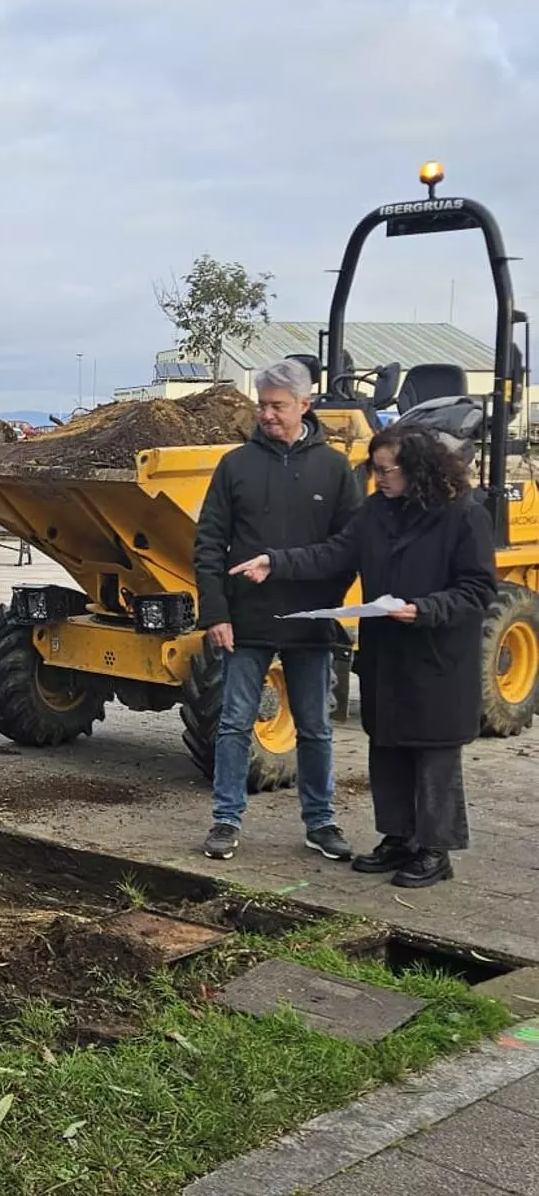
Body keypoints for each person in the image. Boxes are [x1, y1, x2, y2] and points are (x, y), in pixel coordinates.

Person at [231, 425, 497, 887]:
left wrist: (426, 609)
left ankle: (435, 849)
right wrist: (276, 561)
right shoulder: (376, 512)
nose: (379, 479)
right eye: (374, 471)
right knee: (388, 746)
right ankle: (397, 838)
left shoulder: (463, 516)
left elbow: (477, 589)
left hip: (436, 656)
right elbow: (335, 553)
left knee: (432, 754)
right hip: (386, 654)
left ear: (418, 468)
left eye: (386, 470)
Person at [194, 358, 362, 863]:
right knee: (233, 722)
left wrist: (323, 599)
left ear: (305, 406)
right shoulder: (235, 466)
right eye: (262, 405)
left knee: (314, 727)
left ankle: (321, 821)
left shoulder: (333, 468)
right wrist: (216, 613)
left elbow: (349, 547)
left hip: (309, 621)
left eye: (277, 406)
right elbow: (209, 544)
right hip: (246, 620)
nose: (267, 414)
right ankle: (225, 819)